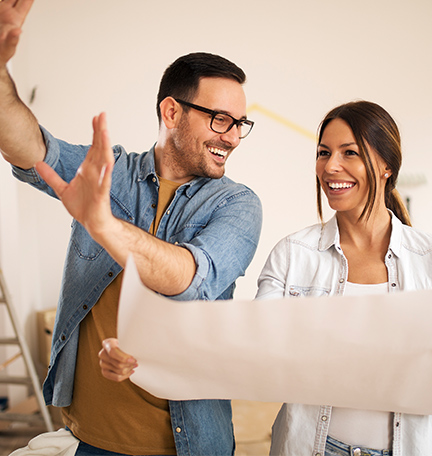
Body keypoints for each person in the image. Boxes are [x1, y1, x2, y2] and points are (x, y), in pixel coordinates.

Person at [0, 1, 262, 455]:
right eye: (220, 120)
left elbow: (189, 278)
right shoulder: (113, 172)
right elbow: (29, 148)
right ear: (172, 111)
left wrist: (103, 224)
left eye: (240, 124)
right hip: (86, 440)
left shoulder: (237, 204)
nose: (233, 137)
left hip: (189, 445)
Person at [256, 101, 432, 456]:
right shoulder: (292, 255)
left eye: (349, 152)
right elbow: (260, 354)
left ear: (386, 166)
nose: (330, 166)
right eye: (323, 152)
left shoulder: (426, 261)